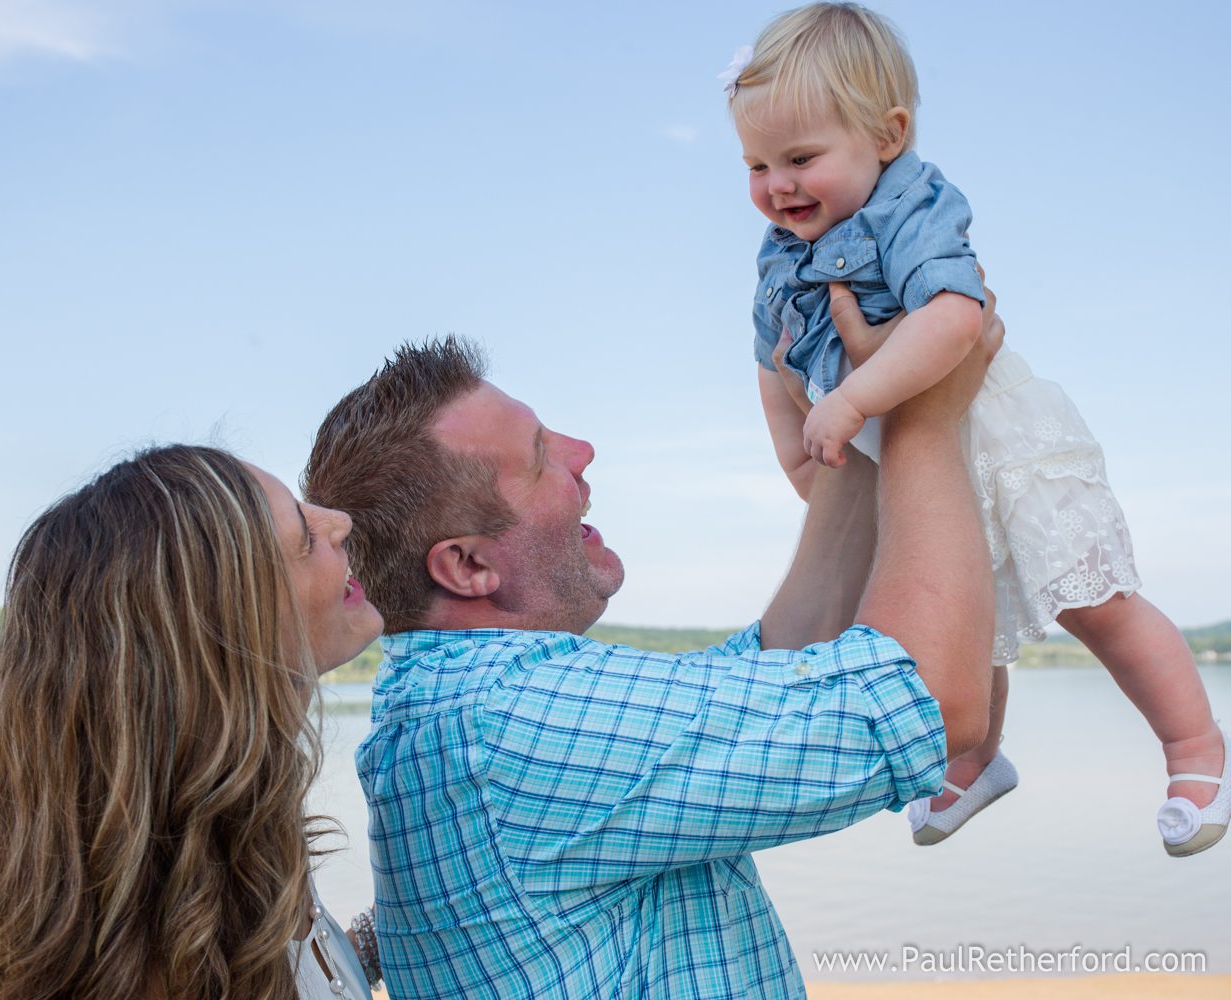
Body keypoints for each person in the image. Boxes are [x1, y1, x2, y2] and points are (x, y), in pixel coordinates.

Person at [302, 320, 998, 998]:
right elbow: (932, 703)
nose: (583, 451)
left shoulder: (453, 696)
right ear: (468, 565)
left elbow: (774, 668)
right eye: (542, 456)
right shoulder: (512, 716)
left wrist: (859, 417)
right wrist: (926, 421)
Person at [725, 1, 1226, 856]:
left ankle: (1195, 748)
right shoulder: (779, 254)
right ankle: (975, 760)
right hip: (897, 457)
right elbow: (773, 361)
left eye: (801, 158)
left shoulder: (909, 205)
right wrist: (795, 446)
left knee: (1093, 600)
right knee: (958, 618)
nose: (778, 185)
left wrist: (849, 402)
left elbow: (958, 317)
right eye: (757, 164)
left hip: (993, 438)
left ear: (888, 134)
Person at [0, 445, 386, 1000]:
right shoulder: (149, 962)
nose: (340, 522)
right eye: (304, 537)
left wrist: (383, 935)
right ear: (228, 630)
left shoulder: (230, 833)